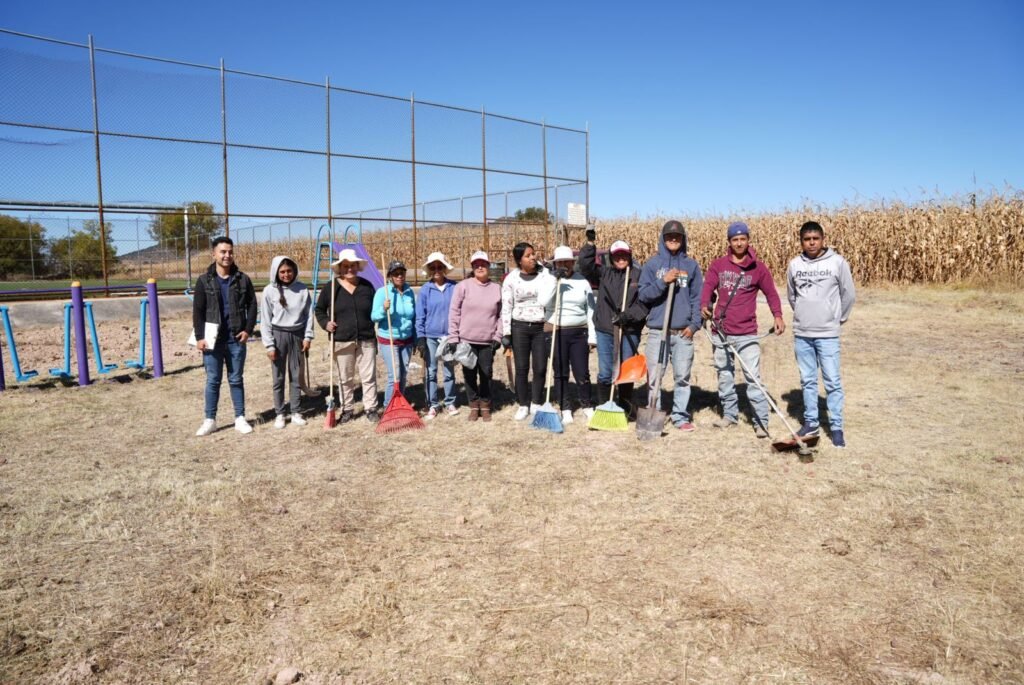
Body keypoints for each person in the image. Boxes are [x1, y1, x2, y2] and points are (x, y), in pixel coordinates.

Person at [700, 222, 785, 437]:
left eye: (742, 239)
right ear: (729, 242)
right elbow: (708, 288)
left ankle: (761, 421)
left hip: (747, 332)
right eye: (735, 239)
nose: (739, 243)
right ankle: (730, 415)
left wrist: (778, 315)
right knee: (724, 375)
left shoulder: (758, 268)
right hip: (721, 330)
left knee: (753, 378)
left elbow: (772, 294)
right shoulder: (718, 265)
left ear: (748, 240)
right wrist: (704, 306)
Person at [786, 221, 856, 447]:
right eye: (807, 239)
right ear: (801, 242)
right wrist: (803, 315)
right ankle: (811, 422)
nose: (812, 242)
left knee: (832, 381)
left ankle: (836, 426)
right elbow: (792, 296)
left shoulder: (837, 262)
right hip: (803, 332)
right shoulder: (795, 265)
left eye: (815, 238)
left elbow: (849, 294)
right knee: (807, 380)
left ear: (823, 239)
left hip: (827, 333)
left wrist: (838, 318)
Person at [638, 220, 704, 431]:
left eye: (677, 236)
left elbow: (697, 298)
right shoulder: (652, 265)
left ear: (682, 239)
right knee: (655, 376)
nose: (673, 240)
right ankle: (653, 410)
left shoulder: (691, 266)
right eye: (669, 236)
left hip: (682, 332)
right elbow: (643, 295)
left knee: (682, 377)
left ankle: (680, 416)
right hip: (658, 331)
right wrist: (662, 282)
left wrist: (694, 325)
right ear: (663, 238)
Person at [193, 236, 257, 436]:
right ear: (214, 254)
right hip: (213, 340)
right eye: (223, 252)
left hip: (235, 339)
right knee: (213, 380)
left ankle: (240, 418)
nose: (227, 255)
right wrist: (199, 337)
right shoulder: (204, 281)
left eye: (230, 251)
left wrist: (247, 330)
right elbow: (198, 311)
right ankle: (210, 419)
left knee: (236, 379)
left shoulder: (242, 279)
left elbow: (253, 305)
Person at [577, 227, 644, 415]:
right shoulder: (604, 273)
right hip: (606, 329)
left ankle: (625, 406)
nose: (621, 259)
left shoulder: (638, 276)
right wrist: (590, 244)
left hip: (629, 330)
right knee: (606, 371)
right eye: (617, 256)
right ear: (611, 257)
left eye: (624, 255)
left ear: (629, 256)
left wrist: (629, 316)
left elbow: (645, 304)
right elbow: (585, 265)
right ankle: (605, 407)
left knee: (626, 369)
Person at [314, 248, 379, 423]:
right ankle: (347, 409)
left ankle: (371, 408)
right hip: (342, 339)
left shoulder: (367, 286)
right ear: (340, 268)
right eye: (345, 266)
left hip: (366, 338)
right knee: (345, 378)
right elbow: (319, 310)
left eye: (352, 265)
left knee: (368, 376)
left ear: (358, 266)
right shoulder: (331, 287)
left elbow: (376, 309)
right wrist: (326, 323)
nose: (349, 269)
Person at [501, 242, 556, 420]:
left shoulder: (543, 275)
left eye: (533, 254)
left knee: (540, 367)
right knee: (522, 367)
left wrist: (549, 272)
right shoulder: (511, 279)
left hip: (540, 327)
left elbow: (552, 287)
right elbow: (506, 306)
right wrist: (506, 333)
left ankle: (536, 402)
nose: (533, 257)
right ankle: (523, 403)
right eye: (528, 255)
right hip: (520, 327)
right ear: (519, 260)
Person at [261, 255, 315, 429]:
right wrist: (269, 344)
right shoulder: (269, 291)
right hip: (278, 336)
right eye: (282, 271)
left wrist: (307, 336)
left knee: (295, 375)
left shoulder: (302, 289)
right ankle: (280, 413)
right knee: (278, 377)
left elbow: (308, 315)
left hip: (297, 335)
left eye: (289, 271)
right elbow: (265, 320)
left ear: (295, 271)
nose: (286, 274)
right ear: (276, 272)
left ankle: (296, 411)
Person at [448, 250, 502, 421]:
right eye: (476, 264)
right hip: (466, 340)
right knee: (469, 374)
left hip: (488, 341)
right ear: (472, 267)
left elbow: (502, 315)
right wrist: (453, 337)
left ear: (488, 266)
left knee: (486, 372)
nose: (480, 267)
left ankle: (485, 405)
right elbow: (454, 312)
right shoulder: (463, 286)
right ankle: (473, 404)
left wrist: (498, 336)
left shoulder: (496, 289)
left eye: (483, 264)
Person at [547, 245, 597, 424]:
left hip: (579, 332)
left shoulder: (582, 282)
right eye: (560, 262)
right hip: (557, 330)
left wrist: (592, 337)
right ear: (555, 264)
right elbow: (543, 301)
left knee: (582, 371)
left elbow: (591, 310)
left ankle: (587, 405)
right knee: (560, 372)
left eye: (566, 262)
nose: (563, 265)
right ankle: (565, 407)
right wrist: (555, 282)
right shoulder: (549, 280)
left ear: (572, 263)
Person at [415, 252, 459, 419]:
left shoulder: (453, 287)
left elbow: (458, 311)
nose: (437, 270)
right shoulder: (425, 290)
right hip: (431, 336)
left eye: (440, 267)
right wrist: (420, 338)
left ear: (444, 269)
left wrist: (456, 333)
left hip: (448, 336)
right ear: (429, 270)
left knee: (448, 371)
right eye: (433, 267)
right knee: (431, 371)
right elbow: (420, 316)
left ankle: (450, 402)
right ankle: (433, 404)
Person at [372, 260, 417, 408]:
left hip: (407, 340)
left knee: (403, 374)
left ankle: (400, 402)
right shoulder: (382, 292)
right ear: (390, 276)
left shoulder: (410, 292)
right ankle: (388, 406)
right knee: (394, 375)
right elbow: (374, 317)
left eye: (402, 273)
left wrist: (415, 339)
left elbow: (414, 316)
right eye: (396, 274)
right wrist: (383, 309)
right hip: (389, 338)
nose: (399, 276)